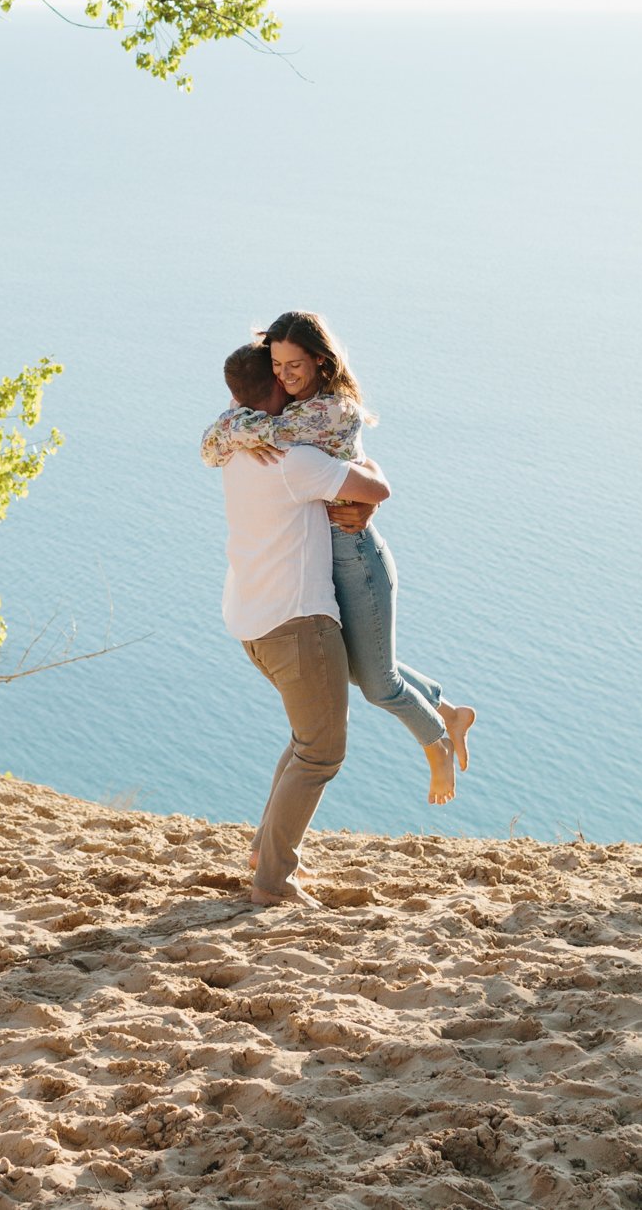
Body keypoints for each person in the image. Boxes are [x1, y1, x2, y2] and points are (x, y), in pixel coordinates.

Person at [202, 309, 475, 805]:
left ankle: (436, 741)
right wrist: (235, 427)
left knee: (378, 683)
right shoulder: (289, 408)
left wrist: (235, 427)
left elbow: (246, 438)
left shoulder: (328, 410)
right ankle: (448, 712)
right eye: (277, 365)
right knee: (362, 669)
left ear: (322, 360)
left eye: (294, 366)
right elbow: (219, 441)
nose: (284, 375)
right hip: (328, 553)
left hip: (354, 554)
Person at [216, 340, 393, 908]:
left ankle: (262, 853)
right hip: (298, 622)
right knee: (321, 752)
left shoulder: (236, 451)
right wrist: (362, 492)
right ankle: (272, 880)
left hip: (251, 619)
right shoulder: (299, 460)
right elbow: (376, 489)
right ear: (273, 389)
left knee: (304, 740)